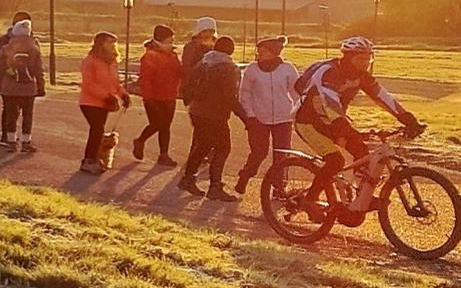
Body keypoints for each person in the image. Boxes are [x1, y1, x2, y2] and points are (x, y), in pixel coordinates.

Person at [291, 36, 423, 207]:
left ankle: (362, 198)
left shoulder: (362, 76)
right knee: (336, 161)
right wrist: (345, 127)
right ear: (348, 57)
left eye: (369, 59)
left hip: (332, 122)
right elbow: (330, 104)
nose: (365, 63)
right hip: (308, 122)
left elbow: (383, 97)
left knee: (361, 150)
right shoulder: (329, 73)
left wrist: (408, 119)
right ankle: (310, 200)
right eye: (361, 59)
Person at [232, 35, 300, 195]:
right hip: (258, 119)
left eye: (264, 51)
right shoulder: (252, 69)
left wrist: (297, 110)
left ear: (274, 52)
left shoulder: (288, 68)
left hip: (283, 118)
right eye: (259, 51)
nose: (260, 54)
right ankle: (245, 175)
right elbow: (245, 94)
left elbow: (296, 92)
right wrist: (250, 115)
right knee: (259, 152)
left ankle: (279, 187)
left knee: (282, 155)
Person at [181, 35, 240, 200]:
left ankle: (188, 178)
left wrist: (188, 100)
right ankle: (215, 186)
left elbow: (189, 84)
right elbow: (230, 97)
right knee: (223, 147)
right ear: (231, 50)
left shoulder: (204, 61)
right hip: (215, 114)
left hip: (197, 111)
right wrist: (245, 117)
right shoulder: (228, 68)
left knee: (203, 145)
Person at [130, 24, 181, 167]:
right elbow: (146, 80)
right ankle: (140, 140)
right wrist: (149, 99)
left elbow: (179, 71)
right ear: (159, 40)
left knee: (166, 126)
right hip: (154, 97)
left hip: (170, 96)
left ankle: (163, 155)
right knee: (157, 124)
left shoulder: (173, 55)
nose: (171, 43)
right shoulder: (149, 57)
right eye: (169, 41)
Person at [0, 13, 45, 151]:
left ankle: (10, 141)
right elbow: (38, 69)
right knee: (27, 115)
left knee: (10, 114)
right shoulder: (34, 48)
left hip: (9, 87)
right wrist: (41, 86)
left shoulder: (6, 47)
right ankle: (26, 142)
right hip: (29, 87)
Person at [77, 32, 127, 173]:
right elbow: (89, 84)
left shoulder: (111, 62)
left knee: (99, 131)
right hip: (89, 102)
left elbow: (115, 83)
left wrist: (123, 95)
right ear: (101, 44)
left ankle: (95, 157)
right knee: (97, 129)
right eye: (109, 42)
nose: (113, 45)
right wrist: (106, 96)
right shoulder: (90, 61)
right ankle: (88, 160)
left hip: (104, 103)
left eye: (114, 43)